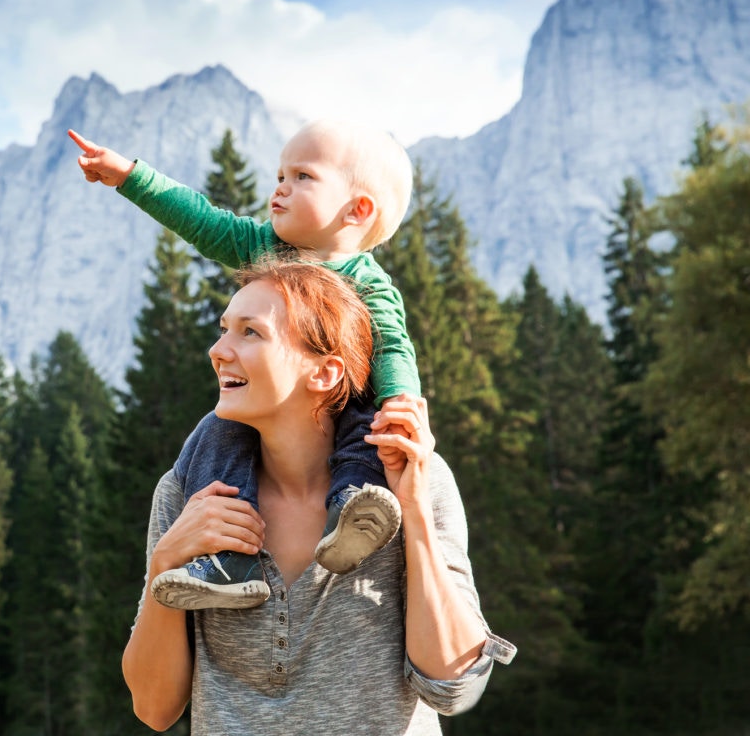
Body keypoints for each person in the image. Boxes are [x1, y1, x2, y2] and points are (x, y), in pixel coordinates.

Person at [122, 260, 515, 733]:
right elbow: (154, 707)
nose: (218, 350)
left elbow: (452, 686)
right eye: (224, 329)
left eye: (250, 333)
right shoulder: (188, 494)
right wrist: (165, 562)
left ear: (326, 373)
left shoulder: (412, 481)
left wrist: (413, 515)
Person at [69, 121, 419, 607]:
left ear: (357, 210)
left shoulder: (369, 284)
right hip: (264, 408)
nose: (281, 186)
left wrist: (401, 401)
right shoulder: (264, 248)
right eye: (280, 174)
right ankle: (231, 558)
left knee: (368, 427)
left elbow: (394, 350)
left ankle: (352, 511)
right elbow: (200, 220)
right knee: (218, 434)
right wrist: (130, 176)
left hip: (339, 403)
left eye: (303, 176)